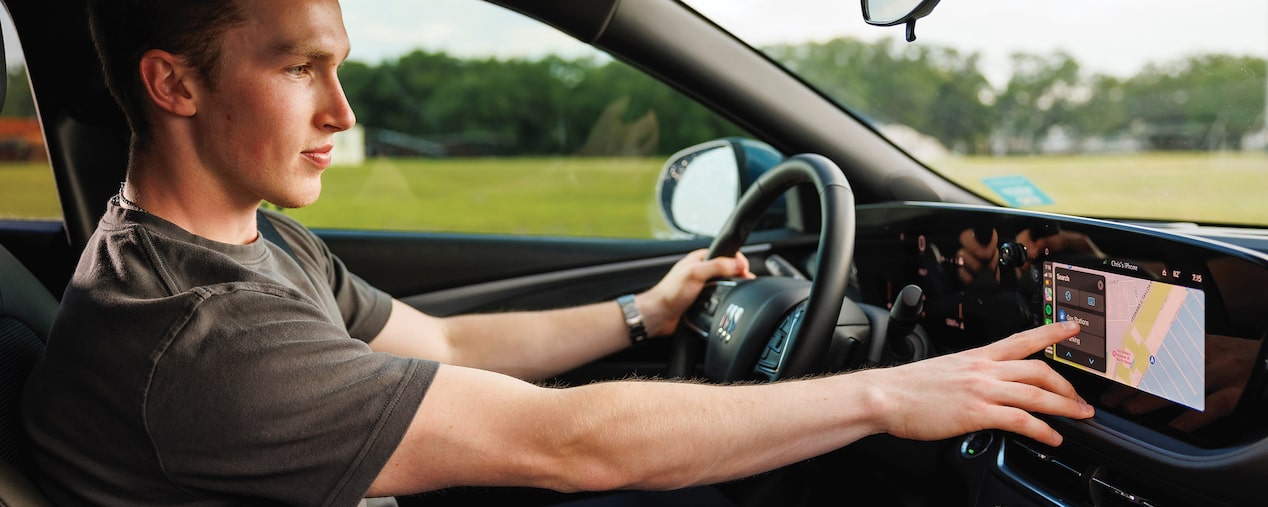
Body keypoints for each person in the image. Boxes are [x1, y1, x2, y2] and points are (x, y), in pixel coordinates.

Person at [21, 0, 1094, 505]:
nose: (342, 111)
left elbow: (439, 340)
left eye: (337, 67)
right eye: (301, 68)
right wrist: (882, 396)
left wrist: (646, 313)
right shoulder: (201, 335)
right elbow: (569, 446)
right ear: (174, 84)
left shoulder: (240, 246)